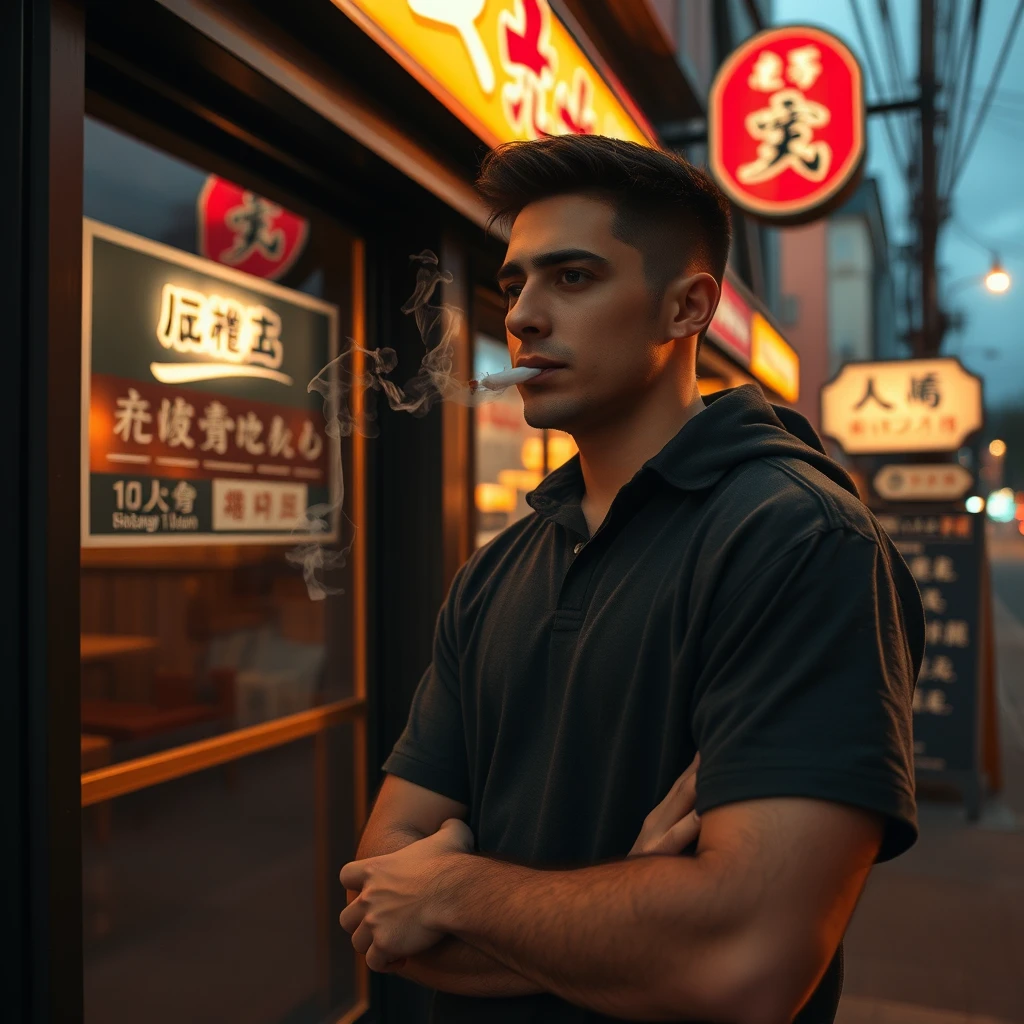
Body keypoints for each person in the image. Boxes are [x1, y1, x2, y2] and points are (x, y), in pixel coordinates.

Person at [340, 135, 924, 1024]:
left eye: (572, 277)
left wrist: (451, 888)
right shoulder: (496, 571)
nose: (525, 316)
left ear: (687, 306)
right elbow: (382, 903)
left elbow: (746, 965)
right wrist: (634, 913)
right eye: (514, 285)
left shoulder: (799, 539)